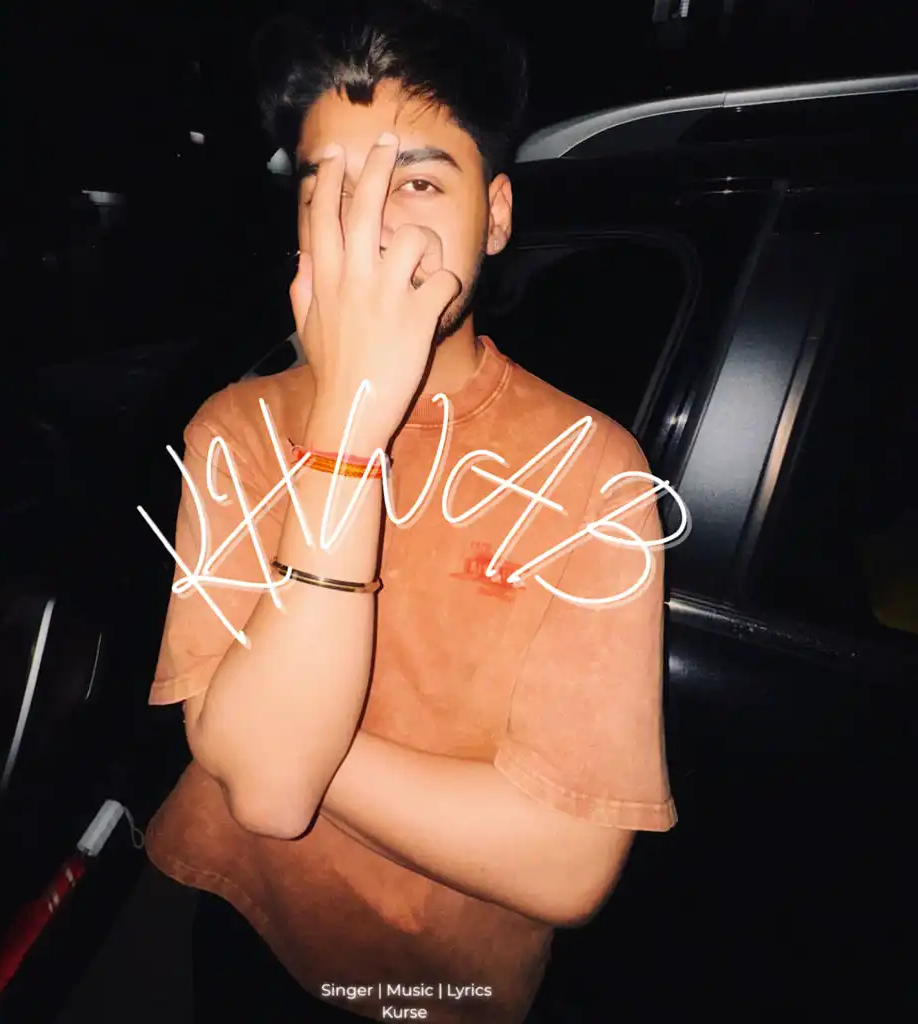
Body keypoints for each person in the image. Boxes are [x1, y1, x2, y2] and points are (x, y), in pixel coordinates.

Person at [143, 2, 677, 1021]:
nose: (373, 228)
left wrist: (280, 734)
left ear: (497, 216)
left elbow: (567, 865)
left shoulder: (591, 470)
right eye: (333, 191)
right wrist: (347, 430)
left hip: (437, 985)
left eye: (419, 182)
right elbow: (265, 804)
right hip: (248, 920)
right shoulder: (237, 428)